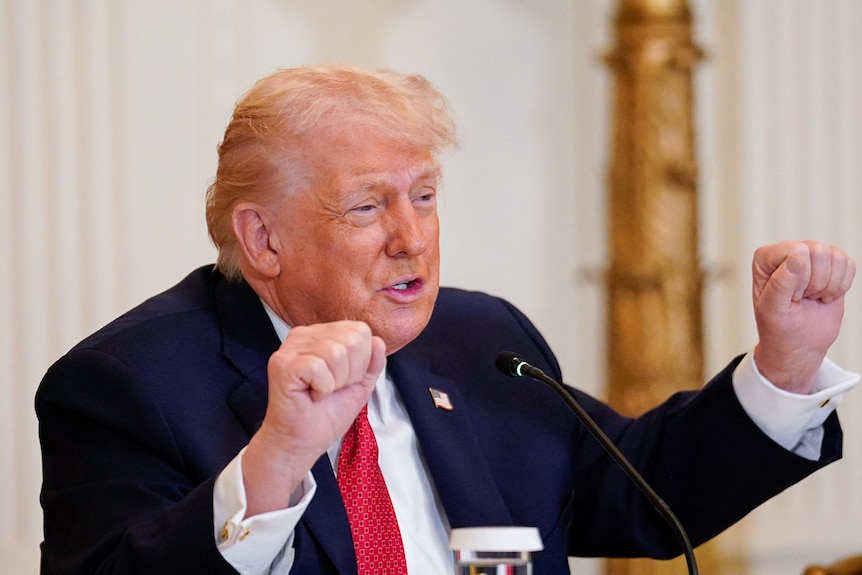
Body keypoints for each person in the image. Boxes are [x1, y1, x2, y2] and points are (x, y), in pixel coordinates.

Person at [37, 65, 858, 575]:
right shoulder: (127, 385)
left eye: (424, 197)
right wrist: (276, 462)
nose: (413, 237)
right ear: (263, 239)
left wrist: (784, 366)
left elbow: (636, 491)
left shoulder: (480, 340)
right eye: (367, 205)